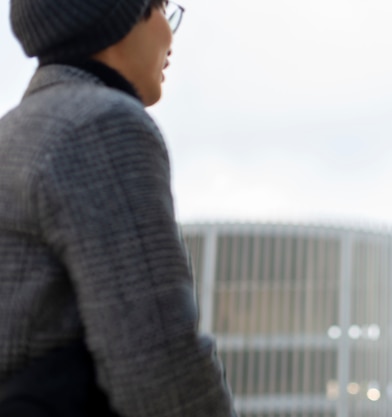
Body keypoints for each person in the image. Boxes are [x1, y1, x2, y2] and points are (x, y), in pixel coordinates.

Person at [0, 1, 236, 416]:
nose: (170, 35)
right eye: (164, 10)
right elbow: (161, 369)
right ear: (120, 16)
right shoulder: (100, 125)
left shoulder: (15, 132)